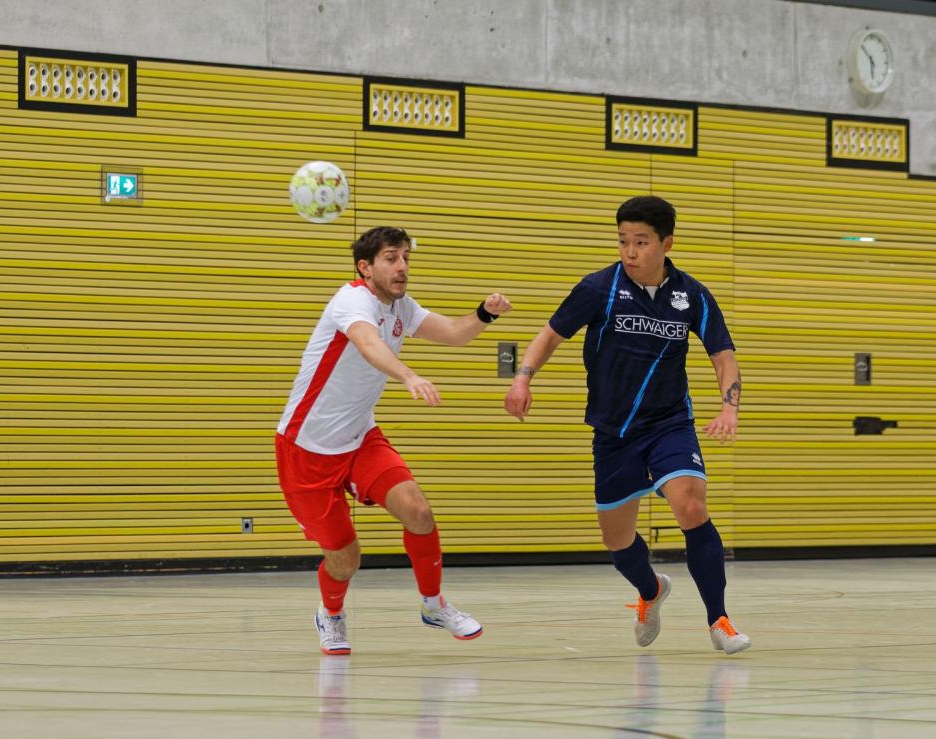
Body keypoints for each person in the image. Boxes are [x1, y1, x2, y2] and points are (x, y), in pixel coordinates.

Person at [504, 196, 750, 655]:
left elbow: (723, 354)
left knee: (691, 505)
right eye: (623, 241)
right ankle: (651, 590)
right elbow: (550, 335)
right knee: (617, 540)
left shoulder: (692, 295)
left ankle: (718, 619)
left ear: (666, 244)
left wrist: (729, 407)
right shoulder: (598, 287)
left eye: (640, 242)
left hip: (670, 423)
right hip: (614, 432)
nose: (630, 251)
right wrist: (522, 378)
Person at [276, 226, 511, 655]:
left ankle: (433, 605)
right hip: (307, 448)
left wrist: (485, 313)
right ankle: (331, 614)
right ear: (365, 268)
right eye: (390, 258)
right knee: (345, 558)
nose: (402, 266)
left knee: (418, 512)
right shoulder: (351, 301)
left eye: (405, 257)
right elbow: (369, 344)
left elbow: (454, 332)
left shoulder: (402, 306)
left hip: (360, 437)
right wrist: (409, 376)